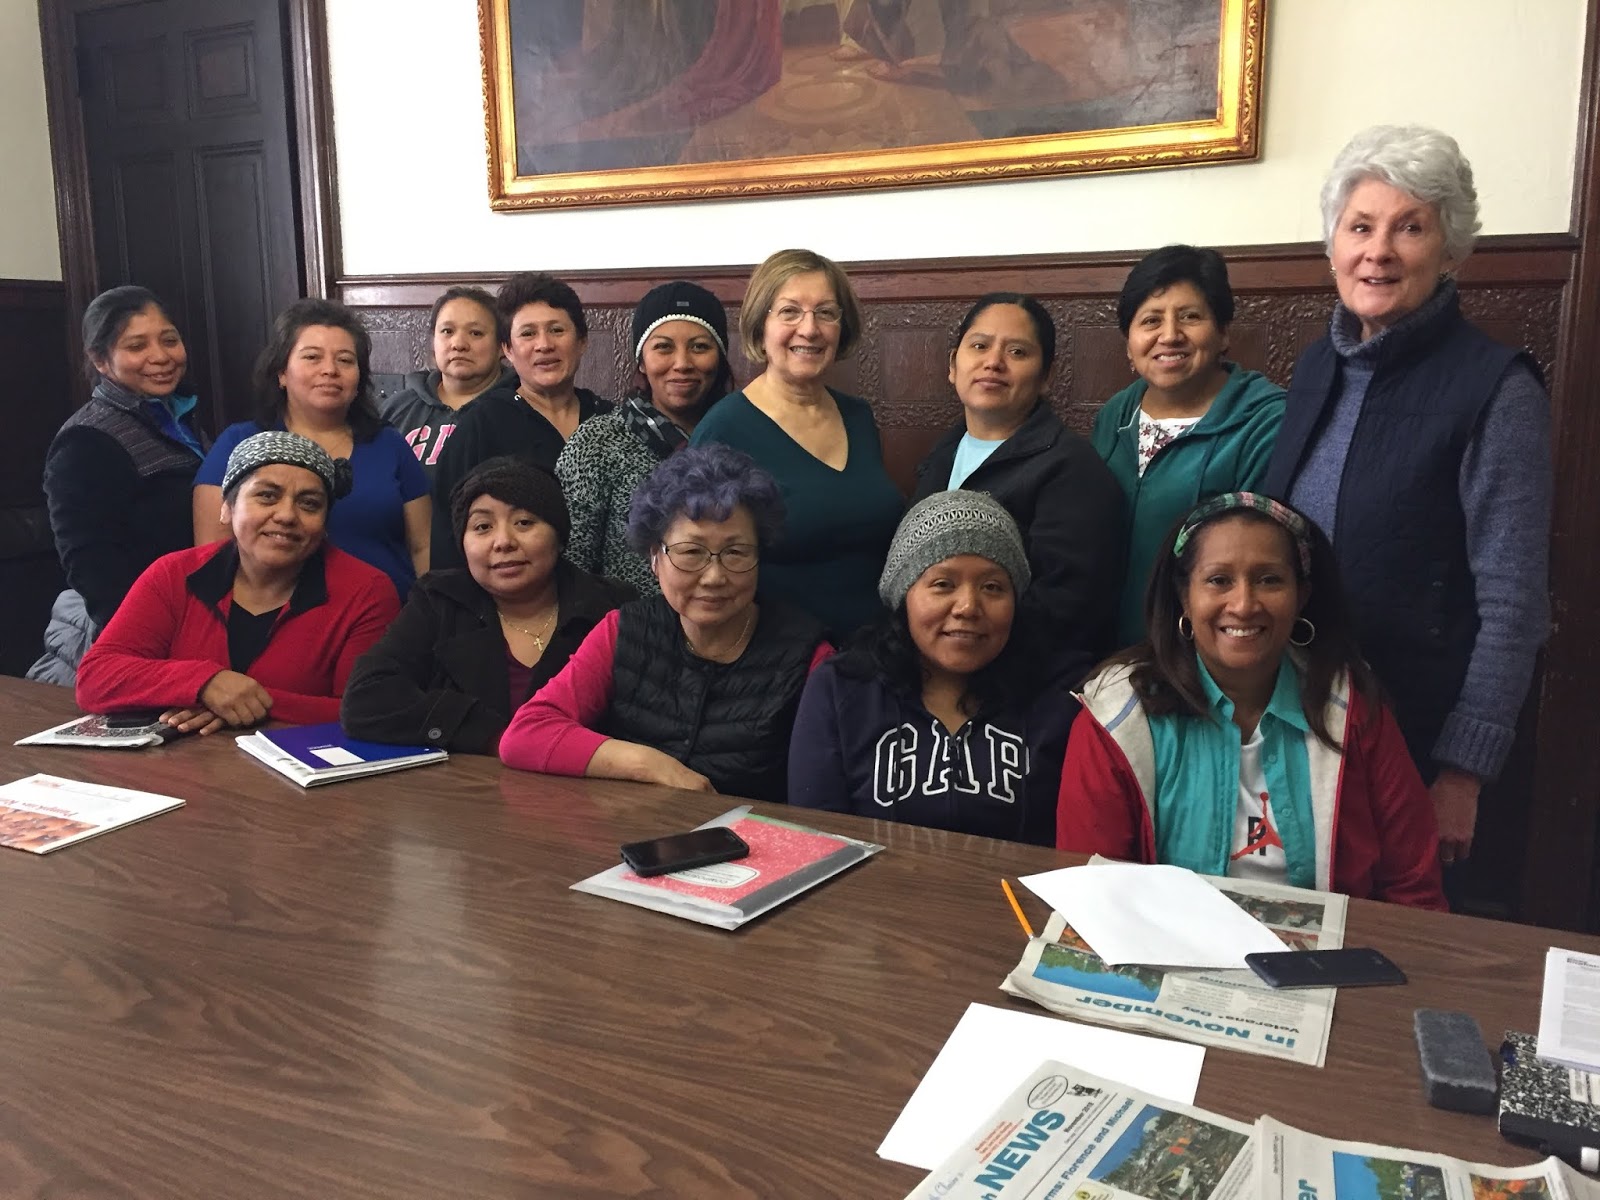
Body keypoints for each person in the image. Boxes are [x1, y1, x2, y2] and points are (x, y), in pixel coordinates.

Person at [1261, 125, 1552, 868]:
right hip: (1295, 716)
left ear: (1450, 250)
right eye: (1360, 227)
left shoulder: (1499, 389)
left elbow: (1515, 603)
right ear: (1333, 245)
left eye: (1410, 228)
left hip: (1415, 736)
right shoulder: (1318, 366)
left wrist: (1463, 772)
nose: (1379, 251)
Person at [1056, 493, 1446, 910]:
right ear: (1184, 595)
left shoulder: (1353, 709)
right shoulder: (1117, 716)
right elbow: (1092, 897)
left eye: (1269, 580)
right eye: (1219, 580)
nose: (1243, 605)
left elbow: (1413, 890)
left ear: (1301, 596)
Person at [500, 445, 830, 802]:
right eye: (691, 552)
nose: (714, 577)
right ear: (655, 557)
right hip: (635, 829)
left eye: (736, 552)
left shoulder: (808, 658)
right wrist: (649, 765)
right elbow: (526, 734)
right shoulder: (623, 630)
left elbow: (821, 802)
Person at [789, 490, 1085, 845]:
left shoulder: (1062, 697)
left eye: (992, 587)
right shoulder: (841, 687)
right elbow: (817, 840)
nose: (968, 606)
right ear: (904, 595)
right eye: (943, 584)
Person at [77, 432, 399, 731]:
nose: (287, 515)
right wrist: (205, 683)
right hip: (182, 766)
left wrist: (243, 701)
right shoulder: (174, 574)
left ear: (325, 523)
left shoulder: (367, 591)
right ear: (227, 509)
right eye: (267, 496)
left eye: (309, 504)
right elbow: (95, 678)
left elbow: (365, 711)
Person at [341, 457, 633, 754]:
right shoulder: (439, 601)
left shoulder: (613, 608)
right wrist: (492, 735)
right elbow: (366, 699)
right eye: (482, 526)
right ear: (462, 544)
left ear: (559, 536)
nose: (503, 541)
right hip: (466, 781)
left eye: (524, 522)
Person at [689, 248, 902, 640]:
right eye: (789, 312)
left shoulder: (858, 417)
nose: (810, 328)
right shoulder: (723, 430)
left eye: (826, 312)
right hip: (779, 657)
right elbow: (698, 566)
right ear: (761, 325)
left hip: (879, 650)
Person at [1091, 246, 1285, 649]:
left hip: (1207, 650)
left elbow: (1259, 562)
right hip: (1105, 650)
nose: (1169, 335)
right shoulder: (1115, 415)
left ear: (1223, 333)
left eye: (1190, 317)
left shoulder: (1266, 421)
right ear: (1129, 343)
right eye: (1150, 320)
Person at [912, 293, 1126, 658]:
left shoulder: (1072, 470)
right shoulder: (942, 453)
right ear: (953, 365)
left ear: (1046, 376)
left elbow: (1065, 610)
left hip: (1017, 675)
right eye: (979, 346)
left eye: (1017, 352)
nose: (993, 362)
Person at [29, 286, 210, 685]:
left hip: (194, 617)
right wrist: (146, 646)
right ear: (101, 360)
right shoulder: (86, 440)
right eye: (136, 346)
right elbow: (92, 567)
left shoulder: (181, 418)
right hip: (143, 636)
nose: (160, 357)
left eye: (169, 340)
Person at [193, 298, 429, 601]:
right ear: (281, 372)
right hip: (279, 619)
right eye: (312, 357)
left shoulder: (390, 444)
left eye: (345, 360)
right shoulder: (239, 443)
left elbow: (422, 547)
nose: (330, 370)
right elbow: (213, 555)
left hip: (391, 615)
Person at [556, 281, 735, 595]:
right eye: (663, 347)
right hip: (625, 620)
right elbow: (571, 564)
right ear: (641, 360)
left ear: (719, 358)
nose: (682, 363)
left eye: (699, 347)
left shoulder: (739, 435)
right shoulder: (598, 442)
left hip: (730, 615)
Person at [431, 272, 611, 570]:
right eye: (528, 334)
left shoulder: (609, 420)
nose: (544, 345)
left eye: (557, 330)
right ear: (508, 349)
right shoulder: (480, 424)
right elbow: (448, 536)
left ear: (582, 342)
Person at [380, 285, 517, 479]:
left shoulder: (521, 408)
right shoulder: (396, 409)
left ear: (502, 345)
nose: (458, 344)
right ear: (433, 342)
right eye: (447, 331)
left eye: (476, 333)